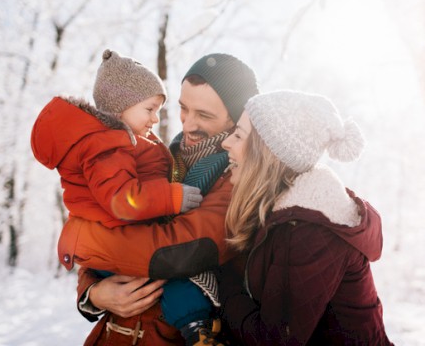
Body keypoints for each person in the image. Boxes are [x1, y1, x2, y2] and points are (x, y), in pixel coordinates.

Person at [56, 53, 260, 345]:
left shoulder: (238, 177)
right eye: (183, 109)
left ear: (236, 117)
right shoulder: (159, 157)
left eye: (204, 115)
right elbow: (111, 221)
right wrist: (94, 294)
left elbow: (181, 250)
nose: (188, 125)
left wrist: (83, 239)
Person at [218, 90, 393, 345]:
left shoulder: (309, 233)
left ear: (265, 152)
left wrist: (220, 279)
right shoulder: (280, 212)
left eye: (239, 135)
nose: (226, 142)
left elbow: (274, 340)